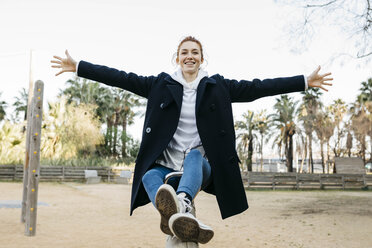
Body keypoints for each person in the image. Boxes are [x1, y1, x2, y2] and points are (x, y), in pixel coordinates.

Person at [51, 36, 333, 244]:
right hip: (165, 166)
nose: (190, 56)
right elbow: (120, 78)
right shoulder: (159, 84)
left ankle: (182, 204)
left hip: (200, 169)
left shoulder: (217, 86)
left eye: (195, 52)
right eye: (184, 52)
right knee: (150, 175)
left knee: (195, 155)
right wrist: (79, 67)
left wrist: (304, 82)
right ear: (177, 58)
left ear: (201, 58)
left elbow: (258, 87)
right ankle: (170, 214)